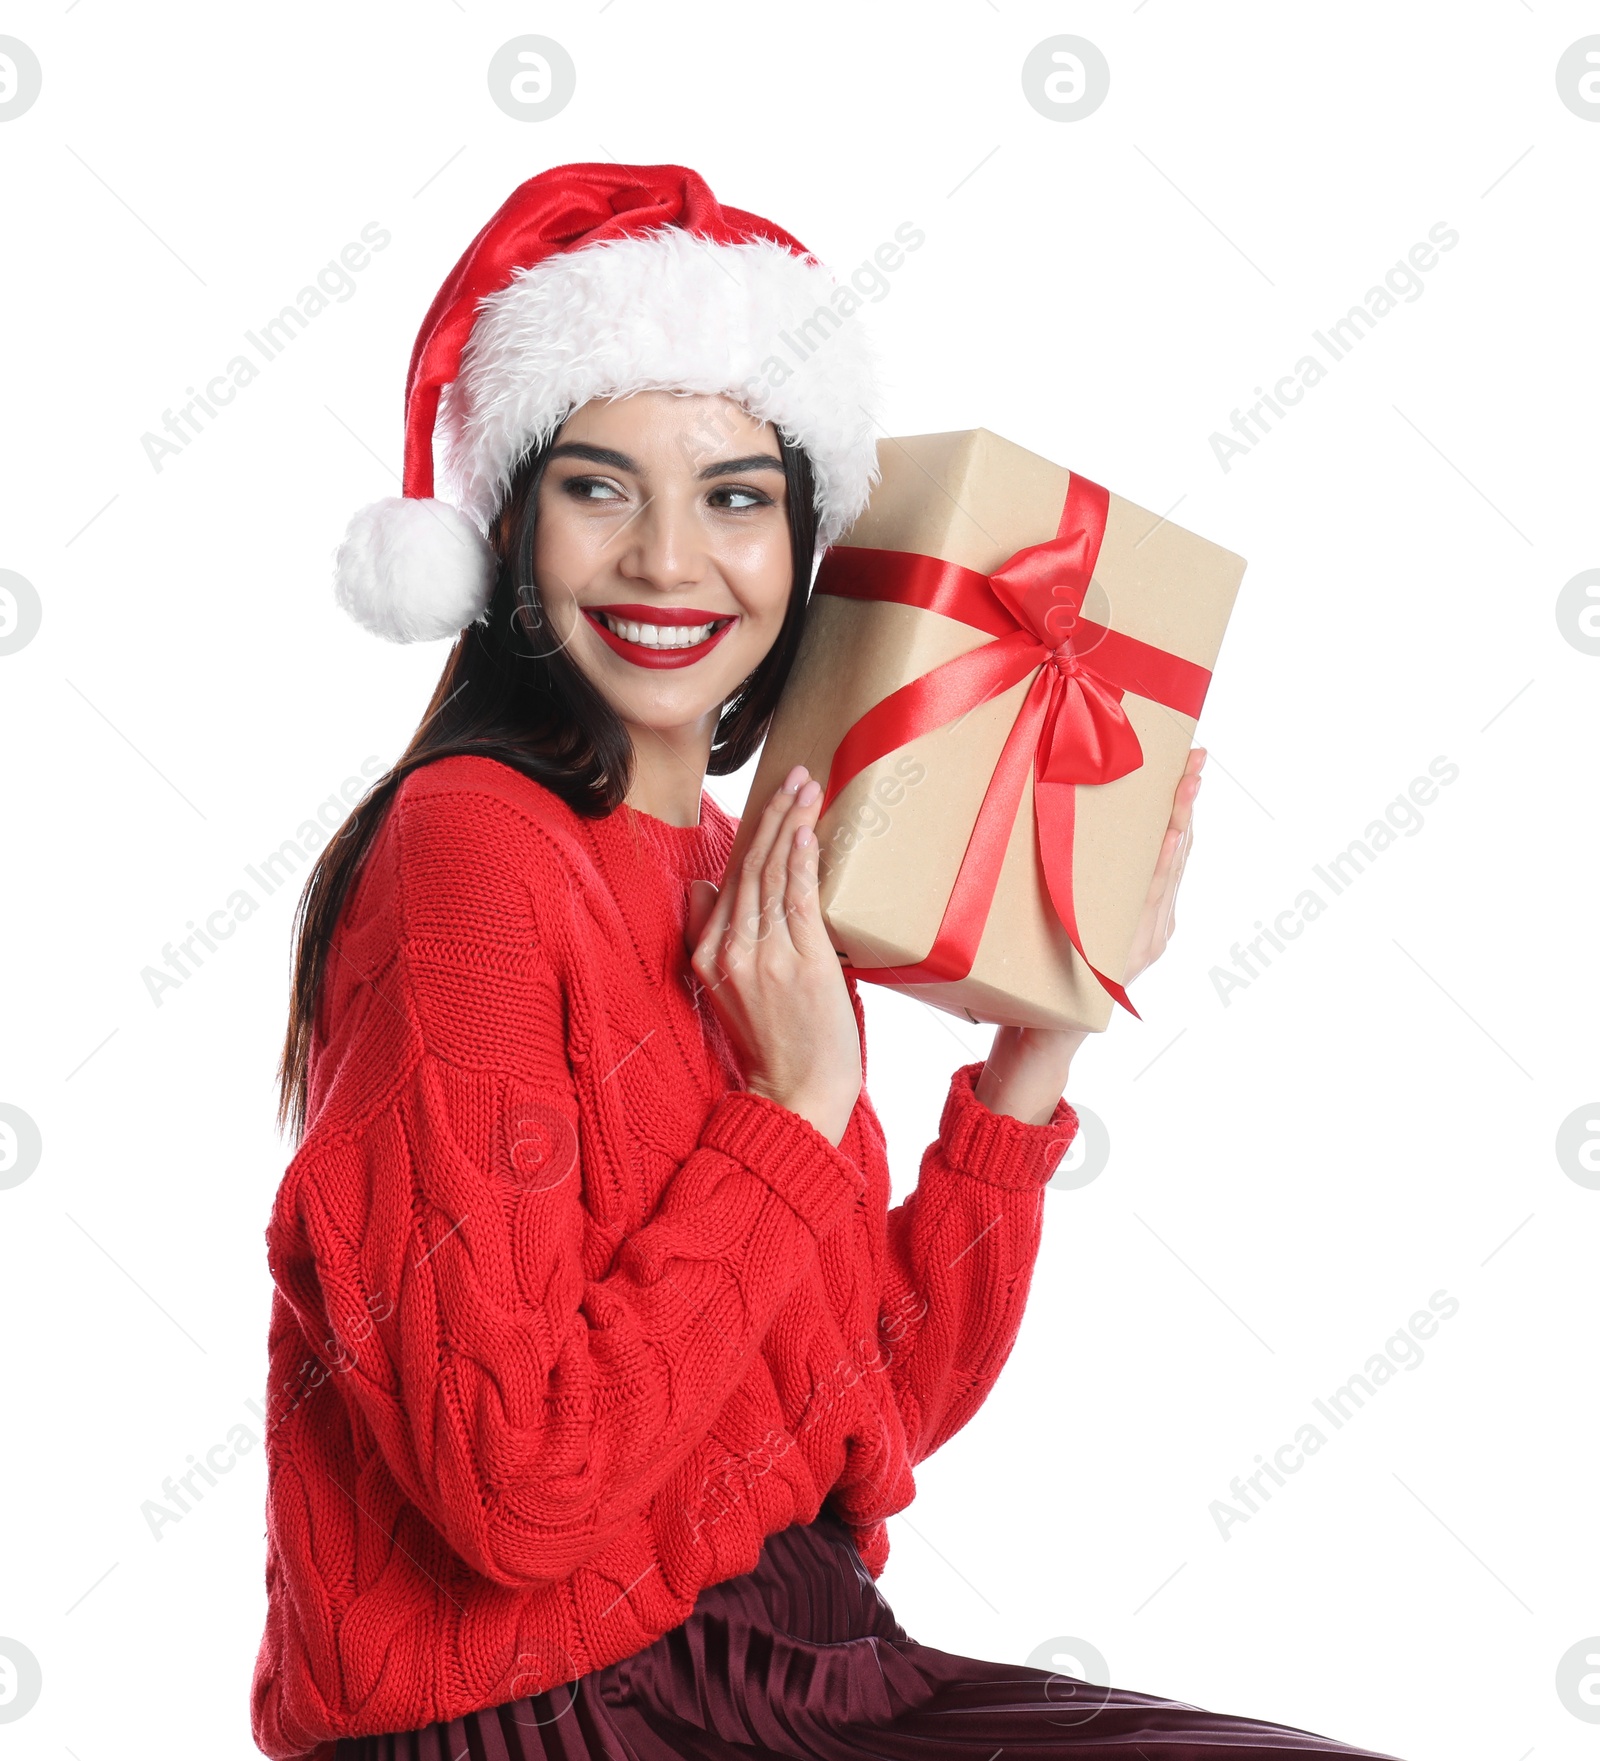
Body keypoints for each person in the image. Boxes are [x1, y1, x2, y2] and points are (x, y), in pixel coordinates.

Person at [250, 163, 1403, 1761]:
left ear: (802, 540)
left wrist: (1037, 1042)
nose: (670, 559)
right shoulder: (469, 850)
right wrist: (791, 1108)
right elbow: (513, 1478)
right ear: (506, 531)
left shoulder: (747, 869)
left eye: (735, 495)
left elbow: (864, 1412)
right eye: (599, 488)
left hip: (805, 1668)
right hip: (561, 1708)